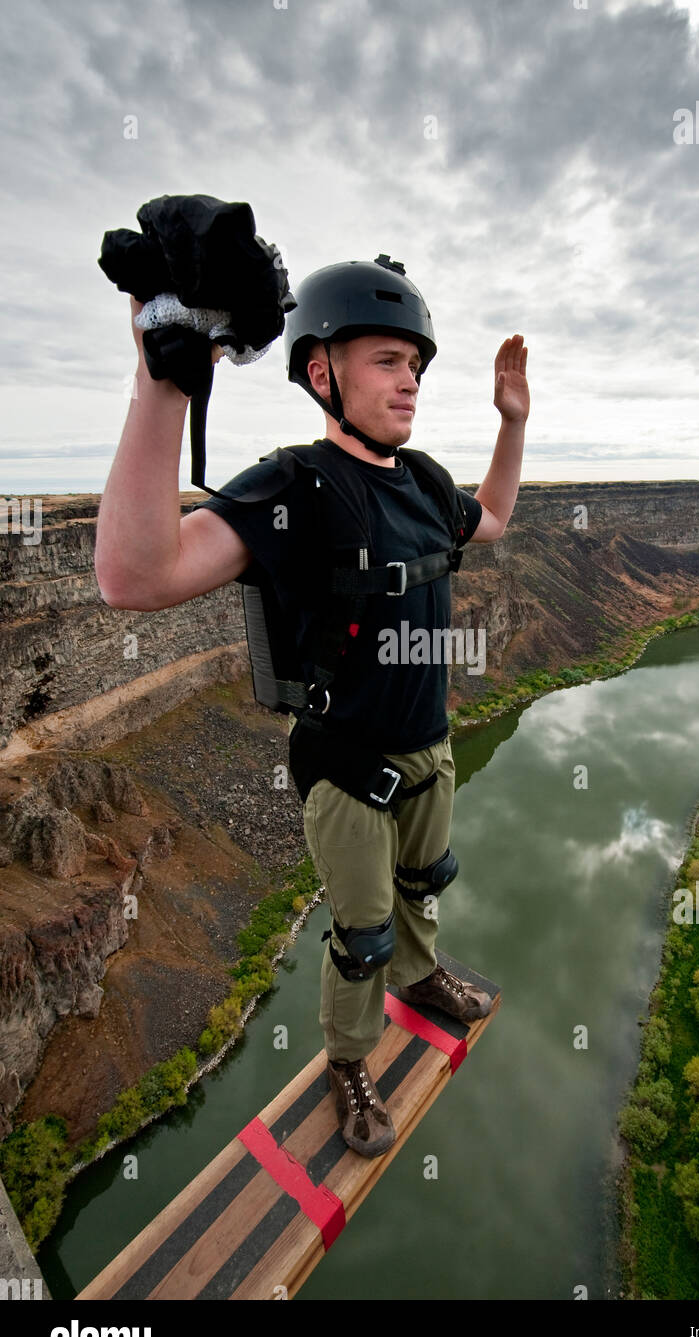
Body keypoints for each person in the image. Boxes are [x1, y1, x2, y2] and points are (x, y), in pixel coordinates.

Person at [95, 255, 529, 1157]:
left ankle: (423, 975)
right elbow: (136, 576)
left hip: (430, 749)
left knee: (424, 887)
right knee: (360, 934)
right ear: (321, 373)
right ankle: (348, 1059)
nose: (410, 377)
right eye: (385, 360)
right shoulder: (295, 486)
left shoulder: (420, 482)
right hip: (347, 767)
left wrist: (512, 424)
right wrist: (163, 381)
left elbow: (492, 518)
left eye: (416, 361)